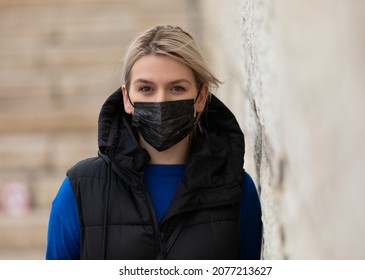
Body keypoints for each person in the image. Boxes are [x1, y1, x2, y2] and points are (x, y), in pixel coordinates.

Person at [46, 25, 262, 260]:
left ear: (200, 97)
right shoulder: (79, 189)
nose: (161, 101)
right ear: (127, 98)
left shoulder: (237, 190)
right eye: (146, 89)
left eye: (177, 88)